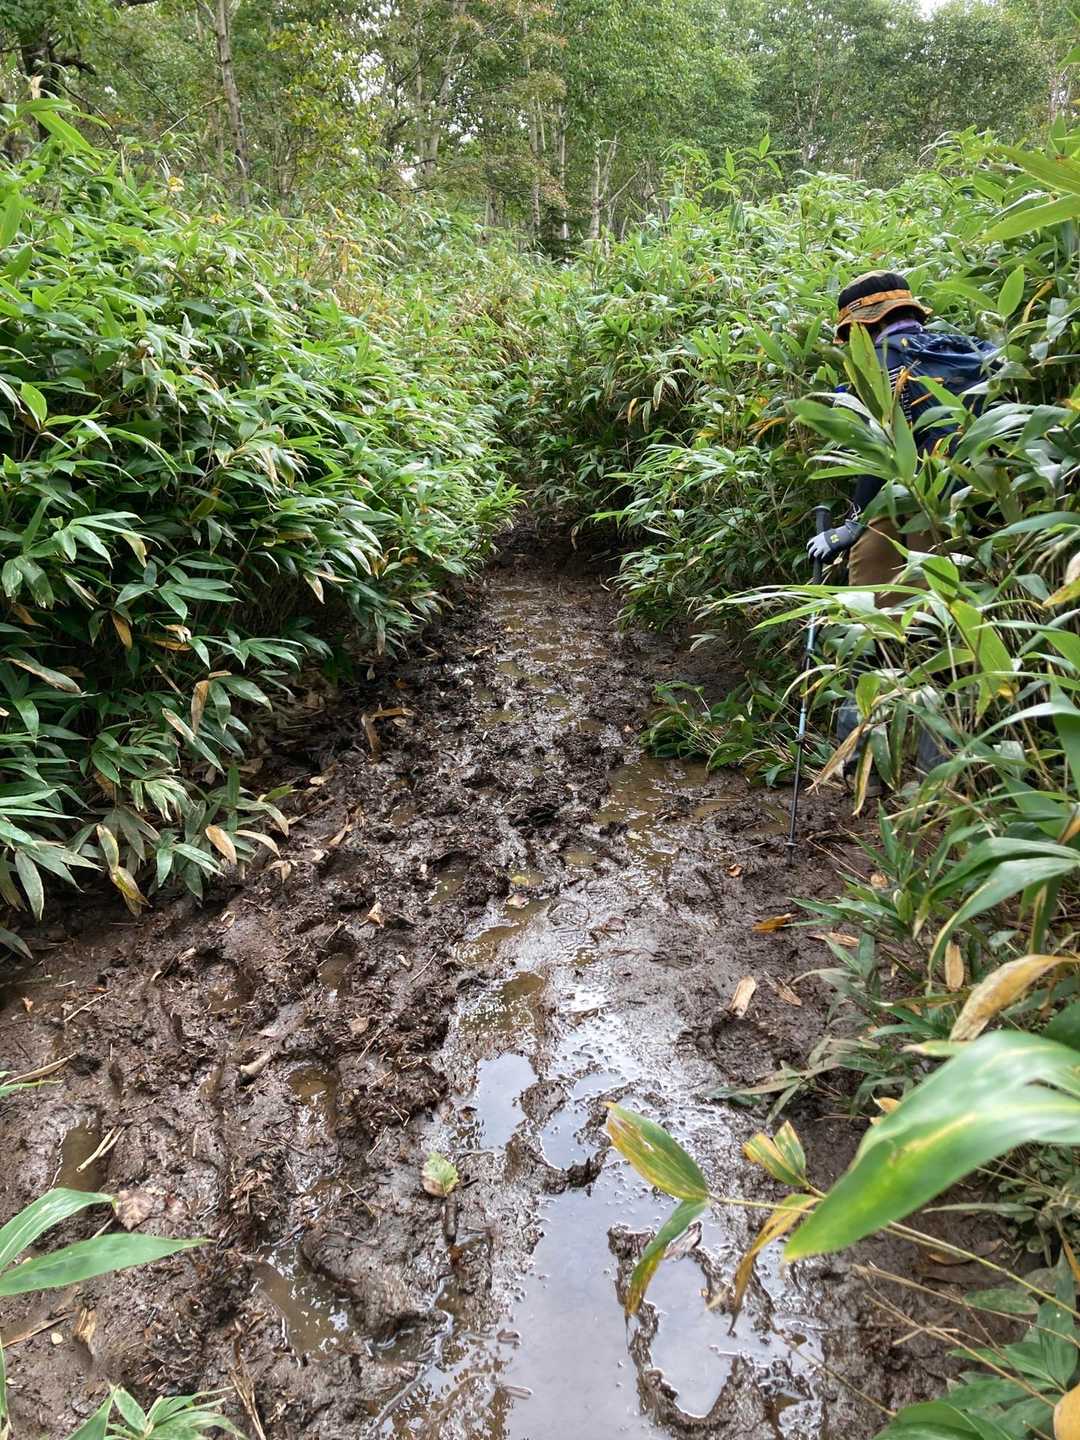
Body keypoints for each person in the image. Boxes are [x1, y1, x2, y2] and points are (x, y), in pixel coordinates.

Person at [805, 269, 998, 787]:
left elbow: (876, 459)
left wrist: (850, 525)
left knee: (871, 635)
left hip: (898, 504)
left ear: (860, 327)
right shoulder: (966, 349)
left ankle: (861, 765)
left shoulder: (876, 367)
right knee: (944, 640)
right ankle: (940, 777)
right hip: (961, 508)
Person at [806, 268, 997, 596]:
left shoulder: (883, 361)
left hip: (927, 493)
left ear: (866, 325)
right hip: (989, 484)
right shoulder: (959, 345)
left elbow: (883, 448)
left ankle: (881, 629)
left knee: (896, 581)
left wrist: (853, 523)